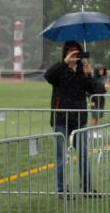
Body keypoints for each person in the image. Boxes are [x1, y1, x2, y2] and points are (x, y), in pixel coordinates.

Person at [45, 41, 104, 194]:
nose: (74, 55)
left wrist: (89, 75)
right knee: (61, 156)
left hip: (79, 119)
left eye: (77, 52)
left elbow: (95, 90)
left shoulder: (82, 71)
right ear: (65, 53)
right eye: (71, 52)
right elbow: (48, 76)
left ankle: (87, 188)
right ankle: (61, 189)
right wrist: (65, 63)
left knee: (84, 154)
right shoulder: (60, 69)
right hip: (60, 119)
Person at [89, 65, 109, 130]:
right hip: (94, 100)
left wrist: (105, 89)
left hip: (101, 100)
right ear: (97, 70)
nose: (102, 71)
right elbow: (89, 91)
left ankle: (95, 132)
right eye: (100, 70)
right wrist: (91, 101)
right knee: (94, 116)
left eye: (103, 70)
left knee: (98, 117)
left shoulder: (102, 78)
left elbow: (102, 91)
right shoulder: (93, 78)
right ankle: (91, 132)